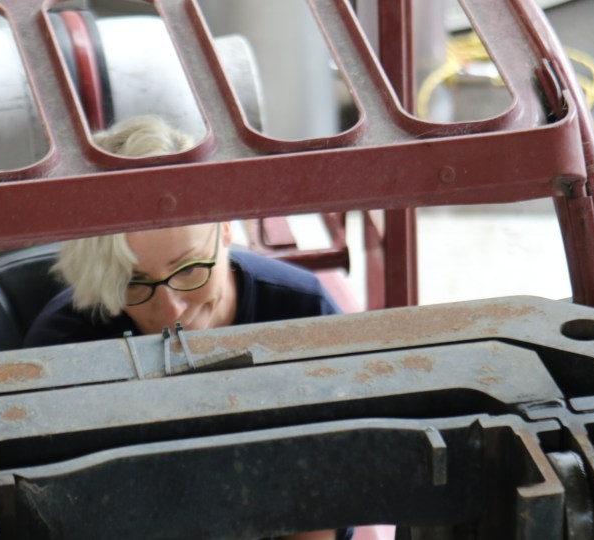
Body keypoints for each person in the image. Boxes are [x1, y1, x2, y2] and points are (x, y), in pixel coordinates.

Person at [23, 115, 351, 540]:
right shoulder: (62, 346)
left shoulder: (302, 310)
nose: (171, 306)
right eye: (135, 283)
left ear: (228, 228)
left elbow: (332, 492)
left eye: (190, 268)